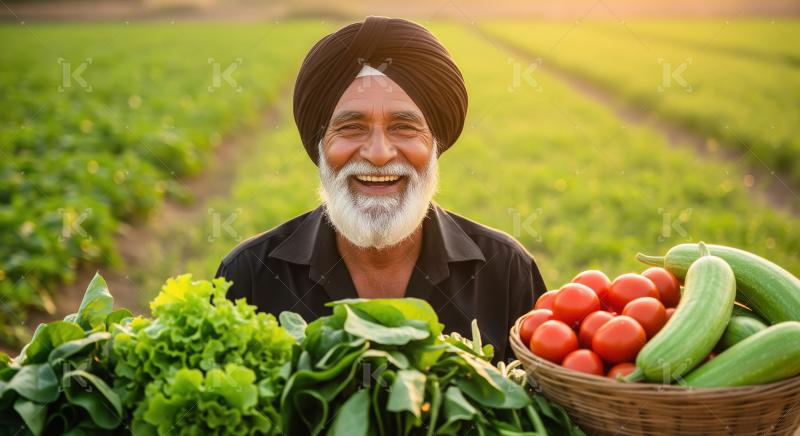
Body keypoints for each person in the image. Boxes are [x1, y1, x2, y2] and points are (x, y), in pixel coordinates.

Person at [215, 16, 546, 361]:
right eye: (351, 127)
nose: (378, 154)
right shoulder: (249, 277)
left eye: (404, 127)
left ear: (435, 144)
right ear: (320, 145)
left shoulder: (506, 271)